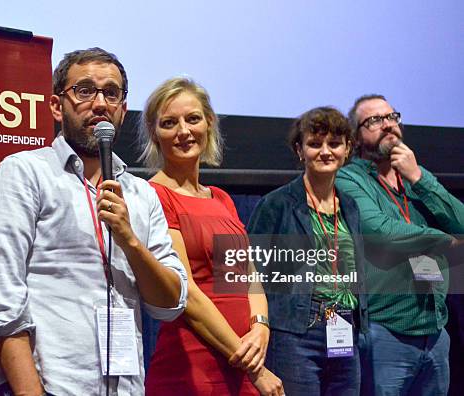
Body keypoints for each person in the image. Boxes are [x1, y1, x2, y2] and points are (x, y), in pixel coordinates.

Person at [0, 48, 188, 396]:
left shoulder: (141, 194)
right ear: (57, 106)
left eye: (111, 93)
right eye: (85, 90)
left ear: (122, 110)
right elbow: (0, 301)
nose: (100, 103)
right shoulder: (24, 173)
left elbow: (170, 304)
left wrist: (130, 239)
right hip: (52, 387)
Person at [139, 77, 283, 395]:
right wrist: (255, 369)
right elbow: (186, 294)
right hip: (193, 369)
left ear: (209, 122)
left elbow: (246, 275)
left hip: (246, 360)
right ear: (154, 133)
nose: (184, 131)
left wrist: (260, 325)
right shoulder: (154, 196)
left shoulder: (221, 198)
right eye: (169, 123)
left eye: (193, 119)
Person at [335, 94, 464, 396]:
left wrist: (419, 178)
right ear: (355, 137)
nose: (388, 125)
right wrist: (446, 242)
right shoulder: (348, 178)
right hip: (386, 332)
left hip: (434, 331)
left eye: (392, 117)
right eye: (374, 121)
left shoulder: (415, 177)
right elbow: (380, 231)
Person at [247, 106, 368, 395]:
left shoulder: (350, 206)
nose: (325, 151)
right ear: (300, 150)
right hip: (296, 331)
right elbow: (248, 274)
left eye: (335, 143)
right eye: (315, 144)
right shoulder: (277, 204)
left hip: (344, 326)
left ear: (348, 148)